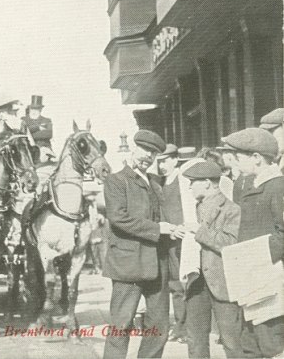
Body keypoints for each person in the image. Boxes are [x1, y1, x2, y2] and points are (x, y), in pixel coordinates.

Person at [102, 129, 185, 359]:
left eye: (153, 153)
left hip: (157, 265)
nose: (148, 156)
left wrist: (173, 228)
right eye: (145, 150)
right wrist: (159, 229)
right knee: (121, 325)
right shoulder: (116, 180)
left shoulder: (155, 184)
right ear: (133, 148)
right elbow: (118, 218)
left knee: (157, 328)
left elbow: (160, 218)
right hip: (128, 266)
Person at [222, 128, 284, 358]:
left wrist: (254, 258)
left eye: (239, 157)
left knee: (271, 344)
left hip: (271, 282)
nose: (235, 163)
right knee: (250, 344)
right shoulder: (253, 185)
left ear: (256, 158)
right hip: (253, 281)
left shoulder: (277, 187)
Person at [179, 160, 243, 359]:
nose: (189, 187)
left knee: (232, 341)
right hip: (196, 283)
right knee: (195, 341)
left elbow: (230, 243)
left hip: (223, 284)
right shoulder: (195, 208)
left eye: (192, 182)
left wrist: (199, 231)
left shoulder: (232, 209)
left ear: (207, 183)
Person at [156, 143, 189, 344]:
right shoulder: (160, 182)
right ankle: (178, 326)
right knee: (170, 284)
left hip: (180, 238)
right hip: (164, 239)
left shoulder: (183, 181)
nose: (162, 165)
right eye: (159, 162)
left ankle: (184, 327)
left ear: (176, 160)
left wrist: (181, 228)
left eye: (165, 161)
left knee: (181, 283)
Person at [23, 95, 53, 163]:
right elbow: (22, 132)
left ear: (40, 110)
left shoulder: (47, 120)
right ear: (30, 109)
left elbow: (48, 134)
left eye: (36, 109)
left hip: (43, 148)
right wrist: (38, 127)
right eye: (32, 109)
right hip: (28, 149)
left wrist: (29, 134)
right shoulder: (24, 120)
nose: (34, 111)